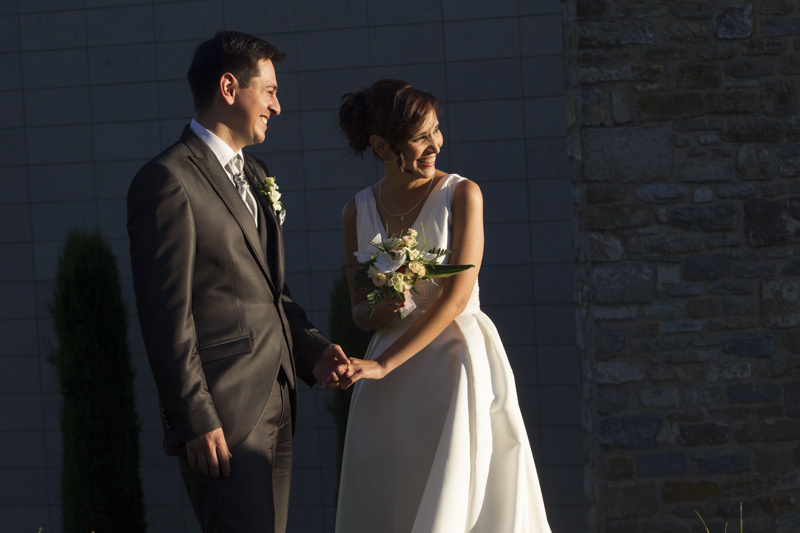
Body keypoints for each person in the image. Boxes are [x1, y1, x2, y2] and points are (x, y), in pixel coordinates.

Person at [127, 30, 350, 533]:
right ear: (229, 88)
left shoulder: (257, 173)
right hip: (223, 414)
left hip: (278, 398)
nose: (277, 106)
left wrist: (312, 350)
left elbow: (272, 292)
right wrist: (195, 416)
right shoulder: (167, 180)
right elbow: (165, 316)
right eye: (269, 91)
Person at [334, 79, 552, 533]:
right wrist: (387, 302)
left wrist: (384, 365)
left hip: (455, 363)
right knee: (395, 496)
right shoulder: (356, 211)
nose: (436, 144)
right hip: (391, 385)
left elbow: (456, 297)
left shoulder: (462, 194)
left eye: (436, 129)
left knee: (456, 495)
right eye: (420, 137)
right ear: (381, 146)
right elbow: (359, 312)